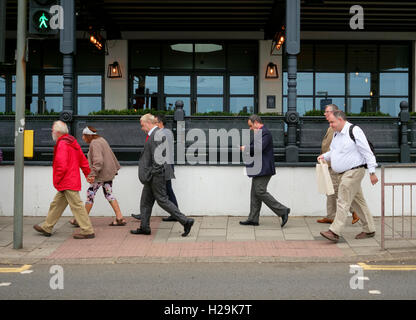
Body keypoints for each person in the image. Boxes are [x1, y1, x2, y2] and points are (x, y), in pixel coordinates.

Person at [318, 111, 377, 243]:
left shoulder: (355, 131)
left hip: (354, 172)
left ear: (340, 119)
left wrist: (372, 172)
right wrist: (325, 156)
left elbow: (367, 151)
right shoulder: (336, 134)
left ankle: (334, 231)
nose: (330, 124)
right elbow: (334, 151)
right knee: (358, 202)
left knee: (342, 201)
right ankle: (369, 229)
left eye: (332, 122)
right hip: (343, 173)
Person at [131, 113, 194, 236]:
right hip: (153, 175)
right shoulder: (156, 134)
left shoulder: (156, 135)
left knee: (162, 200)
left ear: (149, 123)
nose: (142, 128)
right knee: (145, 202)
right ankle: (144, 227)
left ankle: (185, 221)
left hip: (156, 175)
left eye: (142, 125)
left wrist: (152, 174)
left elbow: (158, 159)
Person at [33, 120, 95, 239]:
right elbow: (82, 160)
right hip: (71, 180)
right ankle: (47, 227)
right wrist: (88, 174)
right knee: (56, 204)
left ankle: (87, 230)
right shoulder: (72, 142)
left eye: (52, 130)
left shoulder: (62, 144)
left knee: (77, 206)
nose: (52, 132)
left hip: (67, 181)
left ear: (57, 132)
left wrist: (57, 180)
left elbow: (61, 165)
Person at [69, 126, 126, 227]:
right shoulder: (101, 140)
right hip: (108, 173)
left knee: (90, 194)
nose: (82, 138)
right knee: (109, 194)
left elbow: (98, 161)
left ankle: (81, 220)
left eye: (84, 136)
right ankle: (119, 217)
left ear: (89, 136)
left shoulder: (94, 143)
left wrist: (92, 174)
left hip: (100, 175)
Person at [239, 115, 290, 228]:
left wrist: (245, 148)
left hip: (264, 168)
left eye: (251, 126)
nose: (250, 128)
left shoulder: (264, 133)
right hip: (260, 168)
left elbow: (258, 148)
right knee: (255, 193)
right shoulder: (261, 133)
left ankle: (283, 211)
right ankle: (253, 219)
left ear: (256, 122)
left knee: (260, 191)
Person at [317, 104, 360, 225]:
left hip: (335, 164)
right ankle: (331, 215)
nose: (324, 114)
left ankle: (355, 211)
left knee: (336, 190)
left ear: (334, 112)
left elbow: (336, 147)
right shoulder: (331, 126)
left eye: (327, 112)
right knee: (329, 191)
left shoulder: (337, 128)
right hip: (328, 163)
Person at [131, 113, 178, 222]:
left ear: (160, 123)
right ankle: (144, 215)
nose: (154, 124)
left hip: (163, 167)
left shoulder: (163, 133)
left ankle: (177, 215)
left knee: (166, 193)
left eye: (155, 122)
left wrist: (154, 170)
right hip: (162, 167)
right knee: (162, 193)